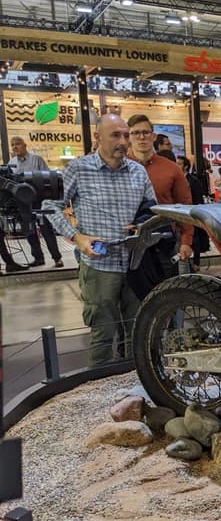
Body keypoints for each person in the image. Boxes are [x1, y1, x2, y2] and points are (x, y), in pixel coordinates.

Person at [42, 113, 156, 366]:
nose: (123, 142)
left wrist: (143, 225)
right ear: (98, 137)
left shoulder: (138, 171)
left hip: (135, 265)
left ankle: (134, 383)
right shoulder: (78, 169)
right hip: (99, 266)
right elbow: (50, 206)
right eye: (115, 135)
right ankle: (97, 385)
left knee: (138, 333)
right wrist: (76, 236)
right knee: (102, 334)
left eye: (126, 135)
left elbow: (152, 209)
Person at [127, 114, 193, 263]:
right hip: (127, 243)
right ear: (129, 137)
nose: (141, 137)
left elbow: (185, 206)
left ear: (153, 136)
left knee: (165, 278)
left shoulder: (172, 169)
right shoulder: (119, 168)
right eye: (136, 133)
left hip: (163, 243)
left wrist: (186, 241)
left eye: (146, 132)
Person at [7, 136, 64, 268]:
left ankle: (57, 258)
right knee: (30, 231)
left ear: (25, 145)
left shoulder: (36, 159)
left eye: (17, 144)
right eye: (12, 145)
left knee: (46, 229)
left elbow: (48, 177)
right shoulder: (11, 163)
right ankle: (38, 258)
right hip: (23, 203)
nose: (15, 147)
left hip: (40, 200)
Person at [177, 155, 210, 271]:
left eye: (179, 163)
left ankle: (196, 263)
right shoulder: (176, 179)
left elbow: (198, 198)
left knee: (195, 237)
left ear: (186, 166)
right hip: (179, 211)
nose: (176, 165)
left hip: (191, 211)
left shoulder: (193, 180)